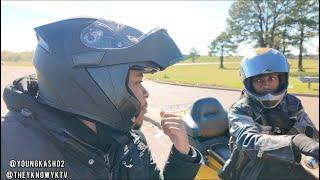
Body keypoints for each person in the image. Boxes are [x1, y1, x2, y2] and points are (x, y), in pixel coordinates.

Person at [1, 17, 203, 179]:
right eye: (138, 81)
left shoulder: (130, 142)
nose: (145, 92)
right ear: (94, 85)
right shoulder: (10, 146)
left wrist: (182, 155)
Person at [219, 48, 319, 179]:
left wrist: (313, 143)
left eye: (271, 78)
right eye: (259, 80)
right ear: (248, 83)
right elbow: (248, 140)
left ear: (281, 79)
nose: (266, 85)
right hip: (252, 167)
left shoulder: (292, 103)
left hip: (288, 162)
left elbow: (309, 130)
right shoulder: (240, 110)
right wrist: (294, 142)